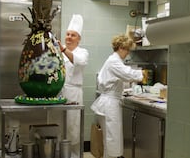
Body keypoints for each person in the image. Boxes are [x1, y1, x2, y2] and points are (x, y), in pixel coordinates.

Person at [91, 34, 146, 158]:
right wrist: (143, 73)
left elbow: (119, 78)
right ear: (121, 48)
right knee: (112, 139)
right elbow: (127, 73)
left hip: (108, 102)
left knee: (110, 139)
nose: (128, 53)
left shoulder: (113, 60)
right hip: (110, 104)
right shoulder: (114, 61)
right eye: (127, 50)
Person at [58, 14, 89, 158]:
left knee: (73, 127)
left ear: (79, 39)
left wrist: (63, 50)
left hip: (74, 93)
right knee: (58, 124)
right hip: (59, 93)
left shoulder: (82, 52)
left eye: (73, 35)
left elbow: (79, 61)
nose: (69, 37)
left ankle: (74, 155)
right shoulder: (59, 52)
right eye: (68, 34)